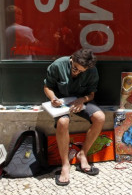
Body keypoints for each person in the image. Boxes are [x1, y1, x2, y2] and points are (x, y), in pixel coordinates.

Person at [44, 48, 106, 186]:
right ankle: (65, 164)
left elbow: (91, 94)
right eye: (75, 68)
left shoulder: (92, 71)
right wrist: (53, 98)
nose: (76, 72)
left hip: (80, 101)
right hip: (60, 102)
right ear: (72, 58)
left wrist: (82, 100)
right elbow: (47, 86)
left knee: (100, 117)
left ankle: (82, 154)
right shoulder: (58, 65)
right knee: (63, 121)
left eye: (81, 71)